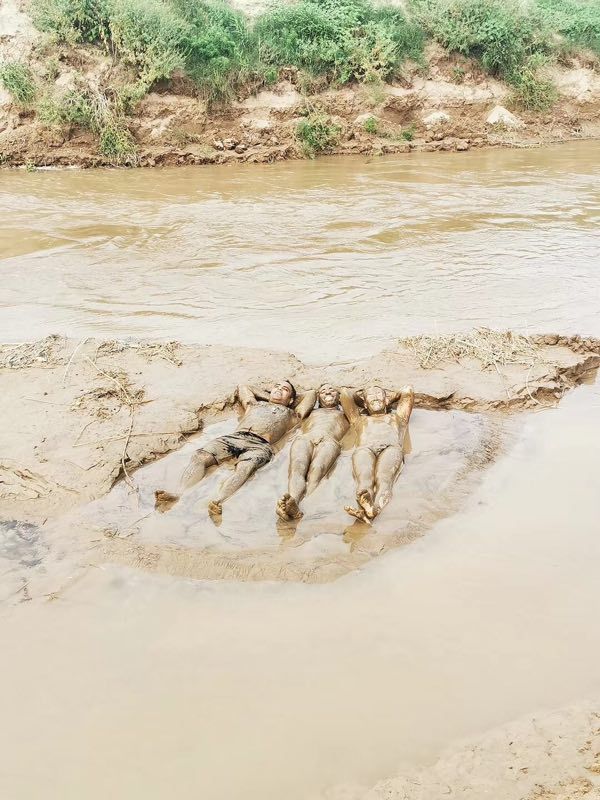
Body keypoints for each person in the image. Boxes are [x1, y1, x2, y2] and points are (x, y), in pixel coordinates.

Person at [155, 381, 316, 516]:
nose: (279, 389)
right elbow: (244, 387)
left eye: (285, 389)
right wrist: (272, 397)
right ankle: (179, 493)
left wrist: (287, 401)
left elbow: (311, 394)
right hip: (234, 438)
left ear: (291, 399)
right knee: (200, 456)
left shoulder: (293, 414)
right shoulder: (254, 405)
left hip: (260, 446)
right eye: (276, 386)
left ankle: (218, 500)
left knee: (245, 468)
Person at [340, 383, 414, 523]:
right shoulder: (358, 419)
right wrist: (364, 402)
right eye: (370, 396)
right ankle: (366, 508)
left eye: (378, 394)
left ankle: (374, 510)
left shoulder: (399, 418)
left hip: (390, 448)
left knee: (384, 479)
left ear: (386, 400)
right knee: (364, 480)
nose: (375, 398)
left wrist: (387, 399)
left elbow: (407, 390)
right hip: (365, 449)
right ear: (365, 404)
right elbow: (345, 393)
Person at [276, 383, 350, 521]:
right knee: (297, 468)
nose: (327, 392)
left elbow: (349, 395)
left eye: (332, 390)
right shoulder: (310, 412)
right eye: (323, 391)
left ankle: (302, 507)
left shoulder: (347, 413)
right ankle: (293, 501)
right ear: (317, 397)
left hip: (329, 440)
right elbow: (308, 394)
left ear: (339, 396)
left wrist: (340, 391)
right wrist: (315, 393)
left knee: (317, 471)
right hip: (305, 438)